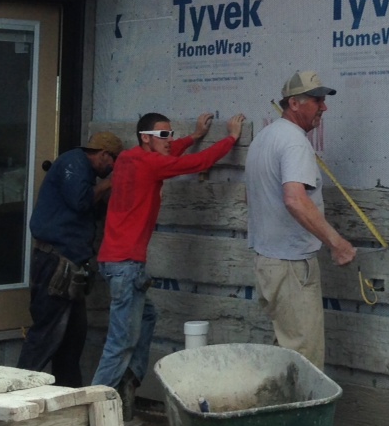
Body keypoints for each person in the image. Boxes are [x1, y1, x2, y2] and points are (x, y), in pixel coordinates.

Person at [92, 111, 246, 401]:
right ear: (145, 138)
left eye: (171, 134)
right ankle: (89, 412)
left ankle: (129, 380)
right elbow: (196, 163)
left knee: (147, 316)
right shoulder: (151, 164)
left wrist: (195, 137)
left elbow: (170, 153)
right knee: (120, 344)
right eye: (164, 135)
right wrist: (231, 138)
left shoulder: (128, 158)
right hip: (126, 267)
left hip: (114, 264)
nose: (170, 140)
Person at [244, 71, 356, 369]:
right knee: (303, 363)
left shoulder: (265, 137)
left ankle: (272, 415)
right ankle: (298, 417)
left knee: (284, 355)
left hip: (269, 263)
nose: (324, 107)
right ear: (294, 103)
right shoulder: (294, 142)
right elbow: (295, 199)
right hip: (291, 267)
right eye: (317, 100)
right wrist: (337, 243)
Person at [18, 132, 120, 386]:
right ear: (104, 154)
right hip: (56, 262)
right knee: (46, 333)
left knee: (72, 339)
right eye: (113, 161)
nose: (112, 168)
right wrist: (109, 184)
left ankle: (68, 393)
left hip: (71, 264)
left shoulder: (81, 169)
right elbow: (80, 201)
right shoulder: (73, 163)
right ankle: (17, 390)